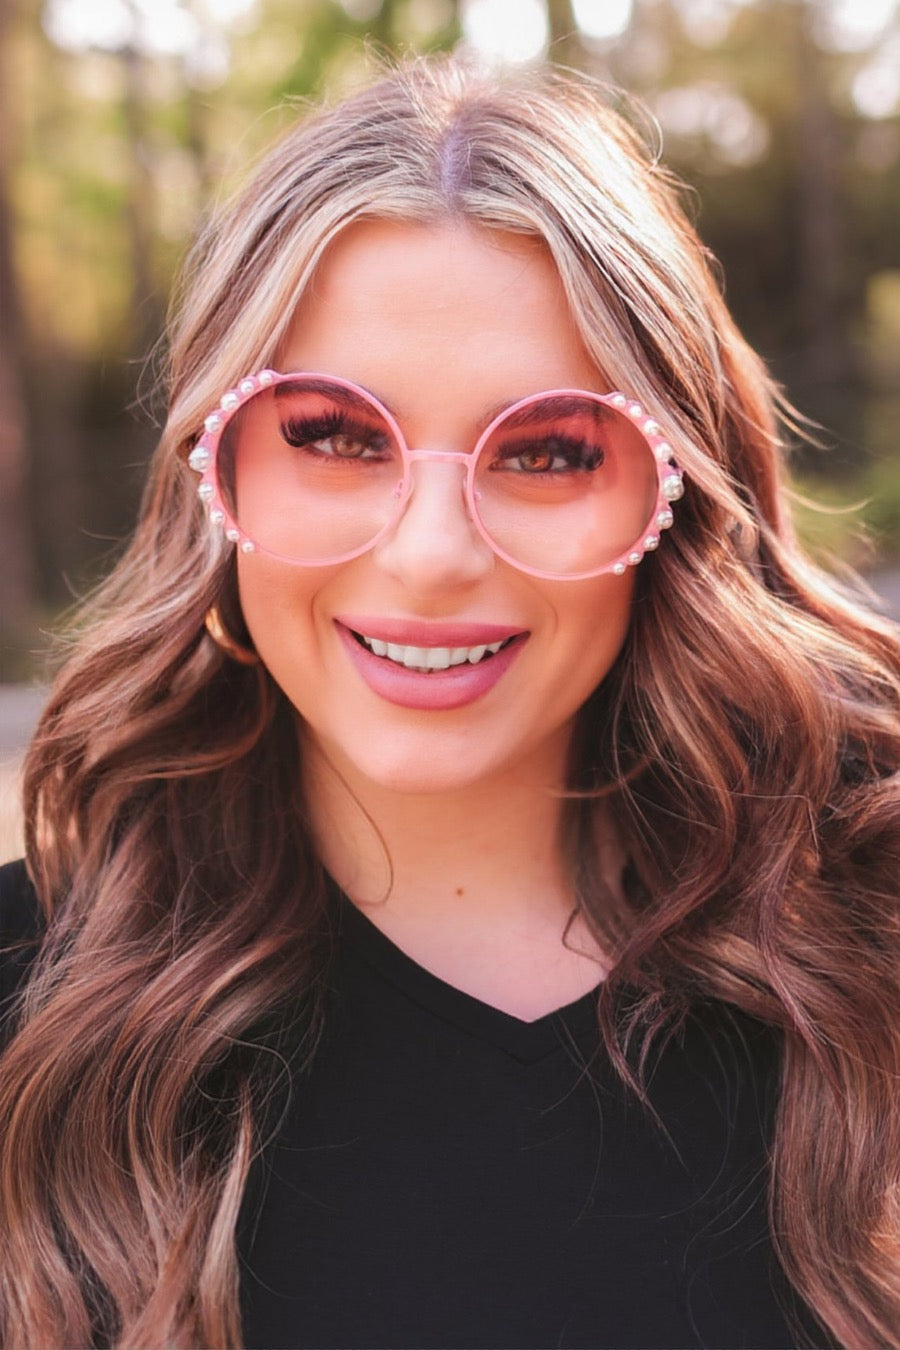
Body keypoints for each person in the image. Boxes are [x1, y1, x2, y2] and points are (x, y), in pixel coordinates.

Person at [1, 55, 898, 1350]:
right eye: (333, 434)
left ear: (673, 495)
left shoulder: (867, 966)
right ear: (216, 469)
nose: (430, 551)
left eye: (545, 451)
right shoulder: (32, 1009)